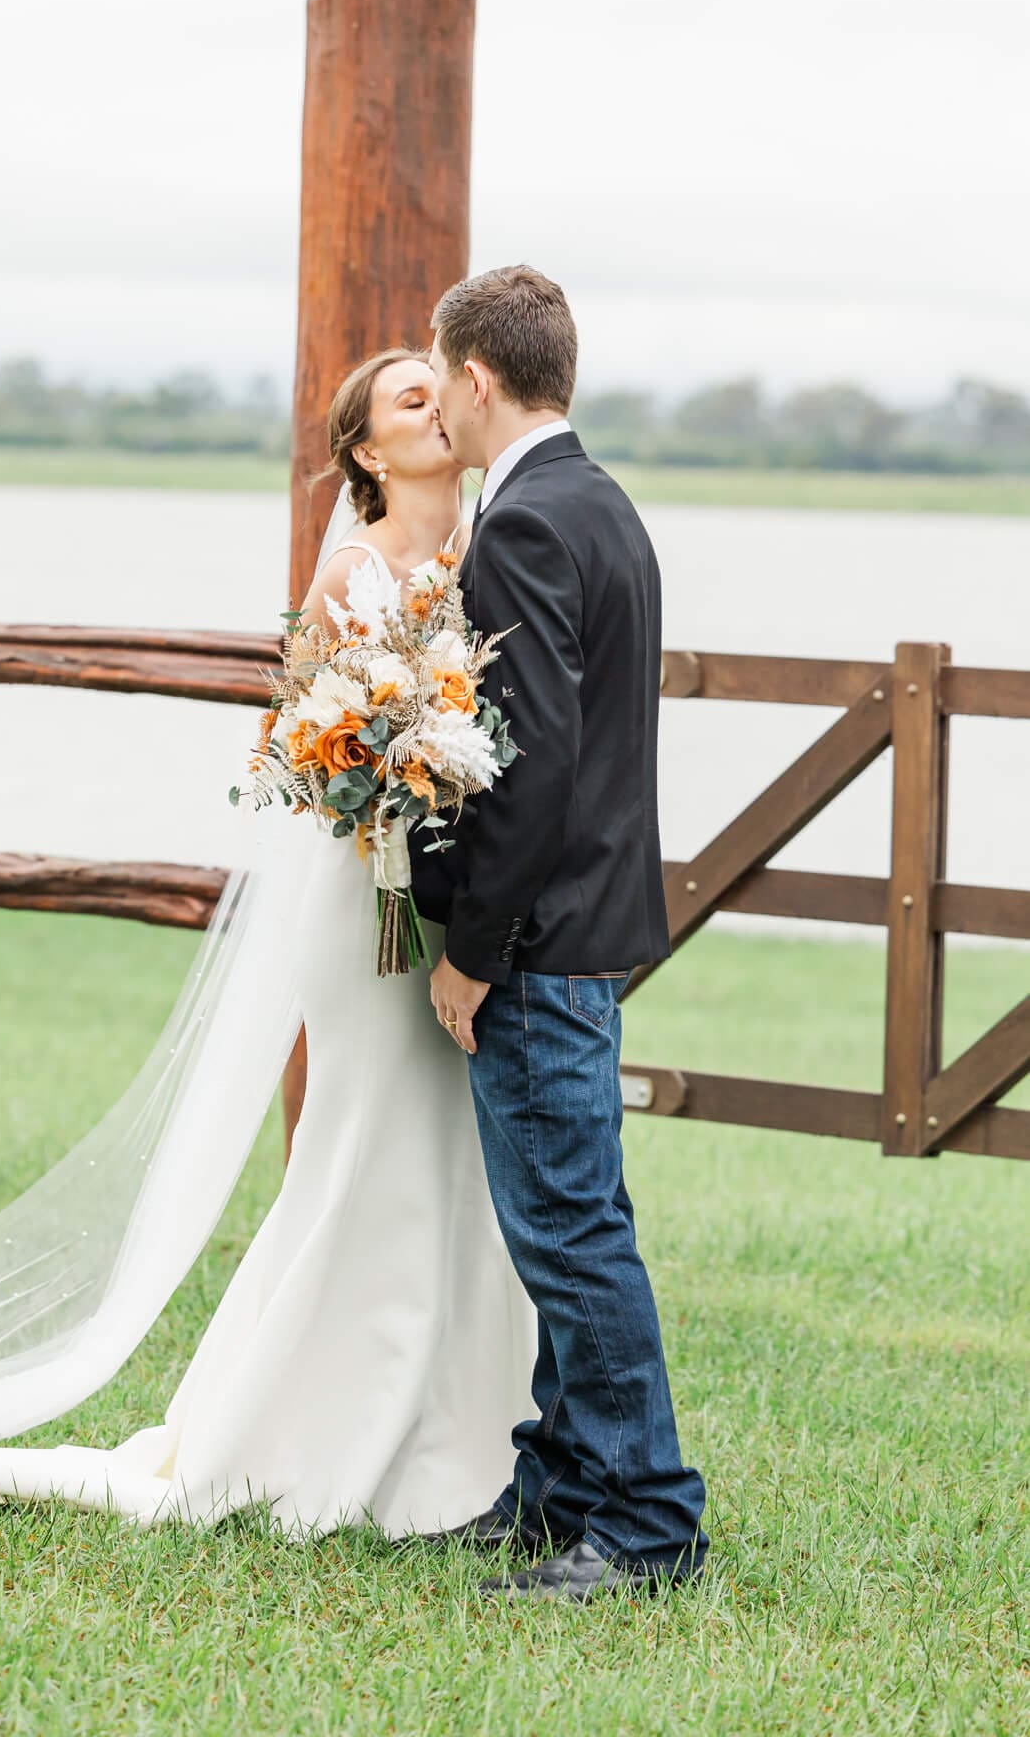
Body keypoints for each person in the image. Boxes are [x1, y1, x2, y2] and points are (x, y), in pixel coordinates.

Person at [0, 346, 540, 1545]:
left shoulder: (487, 558)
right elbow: (333, 759)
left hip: (456, 913)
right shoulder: (354, 577)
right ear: (365, 452)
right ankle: (309, 1432)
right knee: (366, 1150)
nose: (435, 405)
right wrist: (405, 777)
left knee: (458, 1161)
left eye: (438, 390)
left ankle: (471, 1438)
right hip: (369, 916)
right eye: (407, 399)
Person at [412, 262, 708, 1602]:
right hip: (592, 928)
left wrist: (472, 951)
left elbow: (524, 775)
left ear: (477, 378)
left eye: (444, 390)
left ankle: (644, 1521)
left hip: (541, 942)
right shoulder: (602, 504)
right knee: (566, 1221)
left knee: (575, 1238)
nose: (444, 420)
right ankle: (557, 1489)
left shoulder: (523, 525)